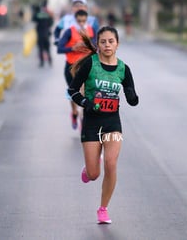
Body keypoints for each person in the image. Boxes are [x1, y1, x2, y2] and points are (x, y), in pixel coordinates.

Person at [67, 26, 139, 224]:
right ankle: (90, 167)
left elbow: (131, 92)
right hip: (91, 122)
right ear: (98, 45)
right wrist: (86, 103)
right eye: (103, 42)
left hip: (111, 123)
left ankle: (103, 208)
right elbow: (72, 91)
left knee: (111, 163)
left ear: (117, 44)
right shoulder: (90, 64)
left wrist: (132, 97)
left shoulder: (124, 68)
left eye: (111, 41)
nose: (107, 45)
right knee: (94, 174)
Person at [57, 10, 96, 130]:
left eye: (84, 21)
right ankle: (74, 112)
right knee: (73, 93)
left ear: (87, 20)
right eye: (79, 21)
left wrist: (89, 45)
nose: (81, 23)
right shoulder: (70, 31)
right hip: (71, 67)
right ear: (75, 20)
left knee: (85, 92)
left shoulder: (91, 30)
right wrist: (73, 47)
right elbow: (59, 48)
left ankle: (83, 118)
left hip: (86, 67)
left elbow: (96, 47)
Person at [32, 0, 54, 67]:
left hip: (40, 34)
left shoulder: (38, 14)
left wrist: (35, 11)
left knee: (41, 49)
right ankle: (50, 61)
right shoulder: (48, 13)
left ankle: (42, 62)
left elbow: (33, 19)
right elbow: (51, 22)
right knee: (47, 49)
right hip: (46, 34)